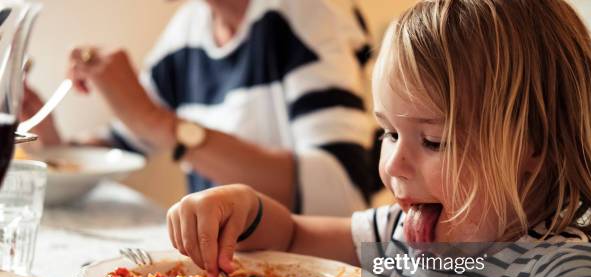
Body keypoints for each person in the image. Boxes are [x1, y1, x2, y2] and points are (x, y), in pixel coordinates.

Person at [166, 0, 591, 277]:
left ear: (533, 146)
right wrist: (244, 209)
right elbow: (294, 237)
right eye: (389, 133)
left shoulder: (556, 268)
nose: (394, 165)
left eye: (434, 140)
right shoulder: (393, 239)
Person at [22, 0, 377, 215]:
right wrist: (43, 132)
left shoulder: (310, 14)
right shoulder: (188, 29)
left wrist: (156, 121)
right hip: (225, 268)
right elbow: (124, 143)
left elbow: (343, 193)